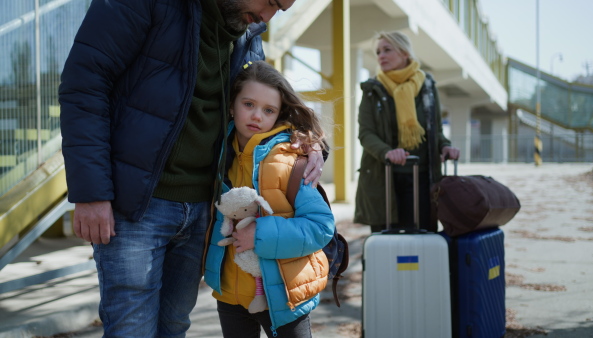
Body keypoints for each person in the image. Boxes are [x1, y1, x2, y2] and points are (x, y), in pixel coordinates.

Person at [58, 0, 325, 336]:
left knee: (173, 326)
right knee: (131, 329)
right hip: (136, 206)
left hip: (204, 210)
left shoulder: (247, 28)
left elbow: (265, 105)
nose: (268, 16)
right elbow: (85, 85)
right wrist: (92, 192)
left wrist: (311, 142)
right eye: (271, 1)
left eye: (281, 9)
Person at [203, 61, 335, 338]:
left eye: (268, 110)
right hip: (229, 293)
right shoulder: (216, 155)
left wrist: (259, 234)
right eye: (248, 104)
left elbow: (321, 227)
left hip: (284, 295)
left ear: (278, 114)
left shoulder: (291, 160)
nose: (256, 116)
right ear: (231, 105)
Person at [353, 31, 460, 233]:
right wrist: (387, 152)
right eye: (378, 52)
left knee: (423, 238)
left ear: (404, 53)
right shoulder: (372, 89)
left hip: (422, 177)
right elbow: (366, 133)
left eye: (387, 50)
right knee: (385, 242)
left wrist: (445, 146)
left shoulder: (427, 86)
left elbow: (435, 130)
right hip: (383, 177)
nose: (381, 56)